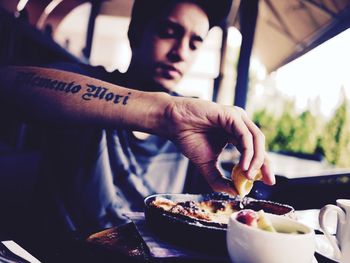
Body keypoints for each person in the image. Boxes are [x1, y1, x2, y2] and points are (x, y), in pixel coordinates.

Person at [0, 0, 275, 233]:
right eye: (169, 32)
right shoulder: (86, 86)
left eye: (194, 44)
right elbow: (11, 85)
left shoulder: (195, 124)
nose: (180, 52)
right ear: (136, 33)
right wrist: (165, 114)